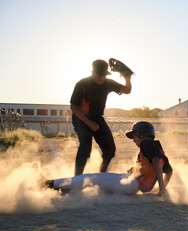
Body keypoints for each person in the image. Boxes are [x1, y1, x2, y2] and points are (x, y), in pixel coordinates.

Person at [45, 121, 173, 196]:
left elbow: (156, 162)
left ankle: (50, 184)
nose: (133, 140)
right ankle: (60, 188)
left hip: (131, 184)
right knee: (96, 181)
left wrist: (161, 188)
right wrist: (162, 187)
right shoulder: (160, 151)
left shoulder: (146, 143)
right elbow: (169, 171)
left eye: (134, 136)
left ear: (142, 134)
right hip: (129, 181)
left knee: (93, 178)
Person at [70, 59, 133, 176]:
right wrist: (89, 123)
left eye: (104, 75)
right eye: (99, 75)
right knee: (85, 147)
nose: (101, 78)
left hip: (97, 118)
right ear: (92, 72)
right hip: (81, 118)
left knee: (110, 150)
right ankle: (77, 177)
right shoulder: (82, 84)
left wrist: (127, 79)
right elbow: (74, 106)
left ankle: (101, 175)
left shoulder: (108, 83)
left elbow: (127, 90)